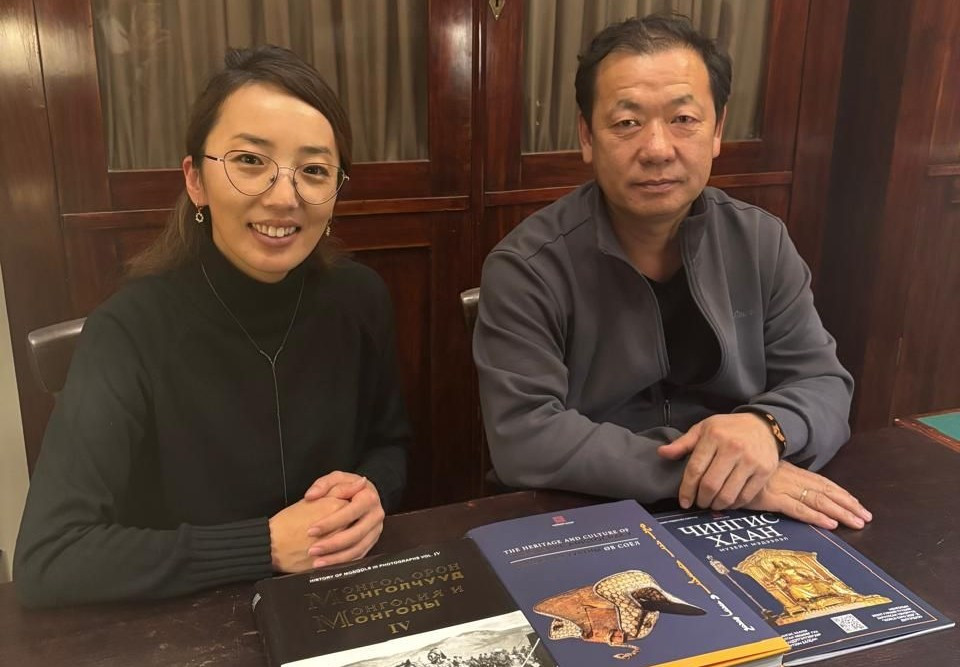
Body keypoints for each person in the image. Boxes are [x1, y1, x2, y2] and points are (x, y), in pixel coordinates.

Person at [14, 46, 409, 607]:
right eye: (251, 161)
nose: (283, 197)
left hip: (333, 604)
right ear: (196, 179)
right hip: (186, 624)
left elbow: (389, 443)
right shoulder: (129, 331)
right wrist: (264, 545)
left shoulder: (359, 298)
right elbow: (48, 556)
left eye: (314, 171)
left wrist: (375, 492)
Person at [474, 16, 870, 531]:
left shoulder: (759, 242)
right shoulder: (526, 267)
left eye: (683, 119)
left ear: (717, 131)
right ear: (587, 136)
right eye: (626, 123)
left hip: (746, 510)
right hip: (583, 515)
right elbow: (524, 438)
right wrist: (719, 473)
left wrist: (765, 427)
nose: (658, 148)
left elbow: (823, 382)